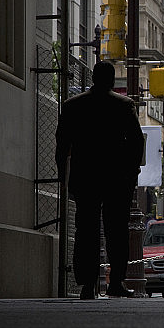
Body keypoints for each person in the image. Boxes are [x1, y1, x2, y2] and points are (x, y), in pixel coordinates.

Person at [55, 60, 145, 300]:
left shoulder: (73, 106)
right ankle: (116, 282)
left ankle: (87, 284)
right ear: (112, 80)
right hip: (117, 178)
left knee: (86, 230)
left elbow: (62, 144)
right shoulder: (123, 105)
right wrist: (132, 171)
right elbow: (136, 142)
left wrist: (61, 174)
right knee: (116, 231)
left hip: (85, 177)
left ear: (93, 78)